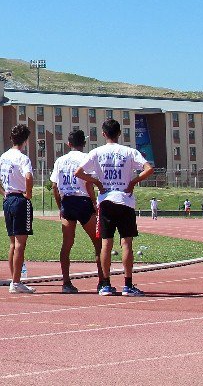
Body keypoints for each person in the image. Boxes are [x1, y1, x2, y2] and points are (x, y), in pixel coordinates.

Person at [75, 119, 154, 297]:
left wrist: (97, 182)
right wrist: (133, 182)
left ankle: (106, 284)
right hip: (125, 200)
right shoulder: (129, 152)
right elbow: (149, 169)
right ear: (119, 133)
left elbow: (78, 172)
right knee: (126, 243)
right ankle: (128, 284)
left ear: (103, 134)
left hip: (106, 201)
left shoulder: (96, 152)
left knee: (106, 243)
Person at [50, 130, 103, 294]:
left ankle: (66, 282)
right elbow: (89, 184)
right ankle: (103, 281)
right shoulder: (86, 158)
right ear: (84, 143)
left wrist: (60, 207)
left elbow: (54, 186)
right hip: (83, 201)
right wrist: (95, 203)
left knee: (66, 245)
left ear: (68, 144)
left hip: (67, 202)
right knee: (98, 243)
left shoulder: (60, 160)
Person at [0, 124, 35, 294]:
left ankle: (14, 279)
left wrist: (4, 193)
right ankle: (16, 281)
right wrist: (28, 194)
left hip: (8, 199)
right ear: (25, 140)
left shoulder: (5, 156)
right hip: (20, 199)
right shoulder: (23, 158)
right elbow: (28, 176)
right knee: (20, 243)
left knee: (12, 243)